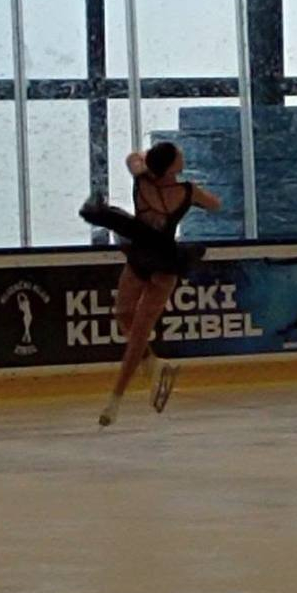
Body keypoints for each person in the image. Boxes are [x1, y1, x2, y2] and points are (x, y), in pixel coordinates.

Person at [79, 142, 221, 426]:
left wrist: (147, 163)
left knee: (132, 324)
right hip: (165, 260)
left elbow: (132, 158)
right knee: (129, 320)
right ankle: (151, 363)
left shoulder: (142, 180)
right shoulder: (187, 191)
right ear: (171, 168)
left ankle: (116, 399)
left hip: (142, 255)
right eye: (178, 157)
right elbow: (215, 205)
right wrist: (193, 197)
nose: (182, 157)